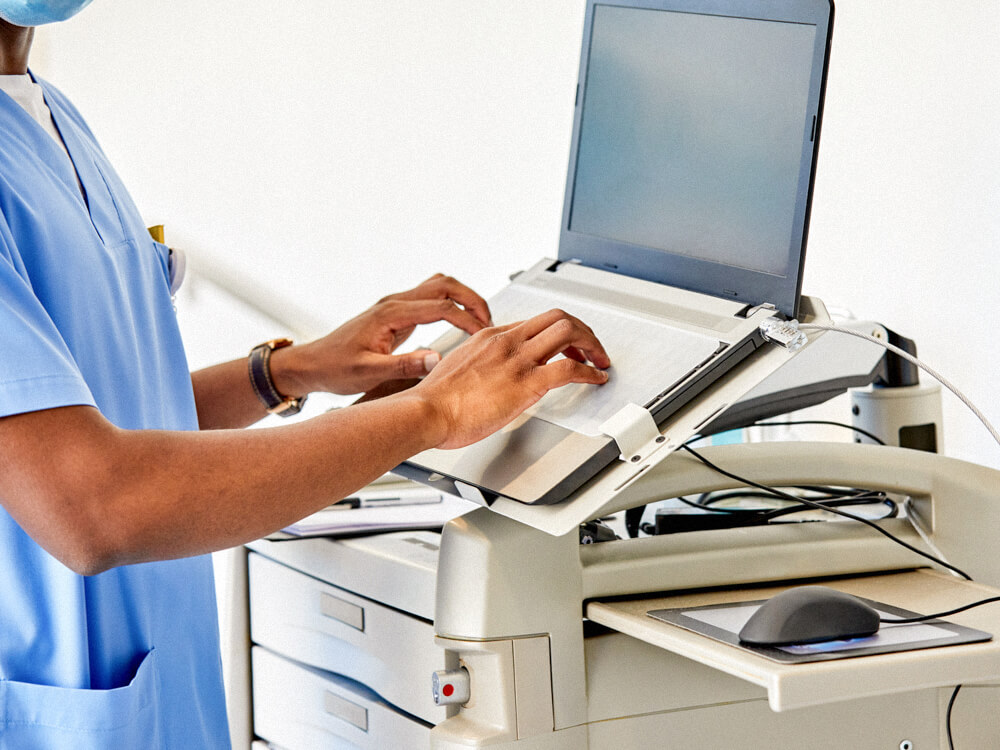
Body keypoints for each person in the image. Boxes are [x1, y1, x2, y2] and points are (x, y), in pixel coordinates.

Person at [0, 4, 610, 748]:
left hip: (155, 701)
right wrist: (432, 413)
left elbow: (92, 414)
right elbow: (92, 503)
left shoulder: (42, 109)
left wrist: (284, 373)